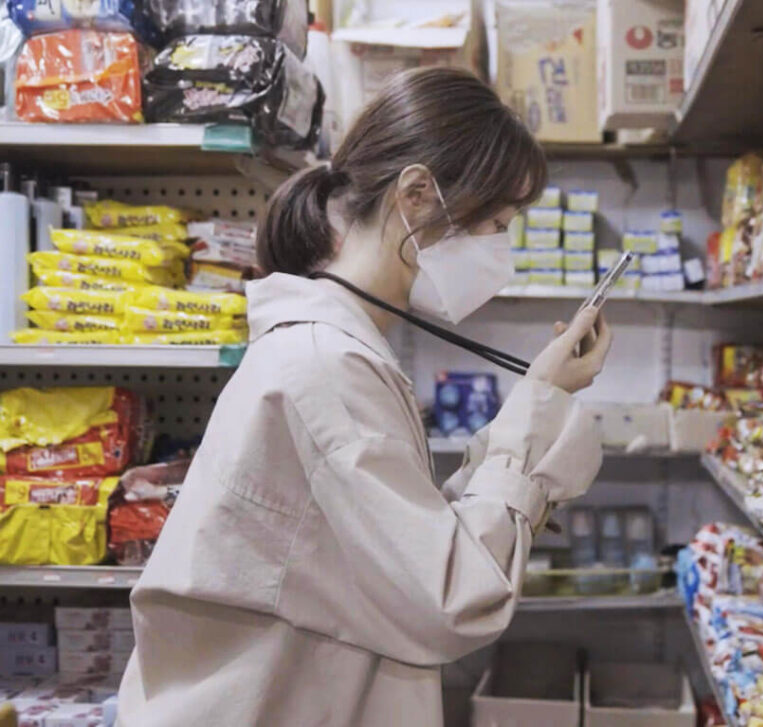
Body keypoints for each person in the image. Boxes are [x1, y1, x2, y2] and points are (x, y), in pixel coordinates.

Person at [117, 67, 613, 726]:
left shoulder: (340, 348)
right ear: (415, 195)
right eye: (496, 223)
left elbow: (407, 540)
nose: (504, 253)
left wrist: (537, 402)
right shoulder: (327, 365)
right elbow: (453, 596)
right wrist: (538, 409)